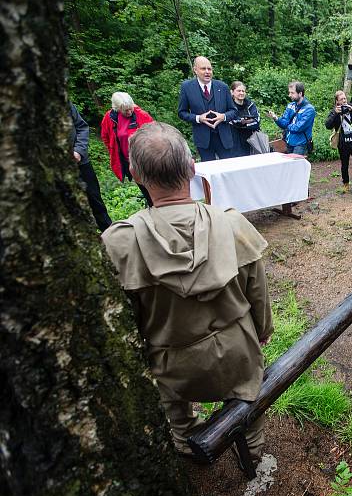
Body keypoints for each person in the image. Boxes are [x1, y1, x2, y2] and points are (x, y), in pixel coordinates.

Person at [101, 122, 272, 468]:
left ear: (135, 175)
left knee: (173, 409)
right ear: (192, 167)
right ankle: (250, 444)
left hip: (172, 366)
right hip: (236, 354)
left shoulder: (119, 244)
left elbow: (124, 324)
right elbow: (259, 295)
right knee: (247, 396)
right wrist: (262, 332)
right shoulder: (232, 224)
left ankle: (185, 438)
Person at [178, 56, 238, 161]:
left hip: (224, 138)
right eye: (203, 69)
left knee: (229, 169)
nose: (207, 72)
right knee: (208, 172)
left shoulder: (222, 87)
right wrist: (198, 118)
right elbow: (182, 112)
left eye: (209, 69)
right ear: (195, 70)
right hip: (203, 140)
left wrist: (223, 117)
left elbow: (234, 111)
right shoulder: (186, 87)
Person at [100, 92, 155, 205]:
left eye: (130, 109)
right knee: (143, 188)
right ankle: (151, 207)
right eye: (125, 111)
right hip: (128, 161)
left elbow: (155, 133)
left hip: (145, 159)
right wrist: (112, 150)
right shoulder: (110, 117)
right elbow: (105, 136)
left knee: (153, 186)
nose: (129, 112)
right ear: (117, 109)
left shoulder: (142, 115)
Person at [69, 103, 112, 231]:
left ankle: (110, 233)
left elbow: (82, 127)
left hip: (81, 163)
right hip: (56, 170)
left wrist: (78, 151)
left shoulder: (64, 104)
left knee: (95, 200)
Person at [325, 90, 352, 193]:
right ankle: (346, 184)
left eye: (345, 98)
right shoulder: (334, 111)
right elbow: (328, 125)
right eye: (341, 99)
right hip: (343, 143)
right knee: (344, 165)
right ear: (337, 101)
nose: (344, 101)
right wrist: (336, 113)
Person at [268, 81, 316, 156]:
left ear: (300, 93)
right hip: (289, 142)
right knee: (290, 166)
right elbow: (284, 123)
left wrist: (287, 125)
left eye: (292, 93)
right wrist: (276, 118)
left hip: (300, 145)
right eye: (289, 92)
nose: (289, 95)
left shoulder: (309, 109)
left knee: (297, 167)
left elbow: (298, 127)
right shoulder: (290, 106)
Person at [229, 81, 261, 157]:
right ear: (232, 92)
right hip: (233, 140)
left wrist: (243, 123)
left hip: (250, 140)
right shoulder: (228, 105)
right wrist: (247, 121)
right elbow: (232, 121)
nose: (241, 93)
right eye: (238, 91)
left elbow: (257, 122)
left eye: (243, 91)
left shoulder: (251, 105)